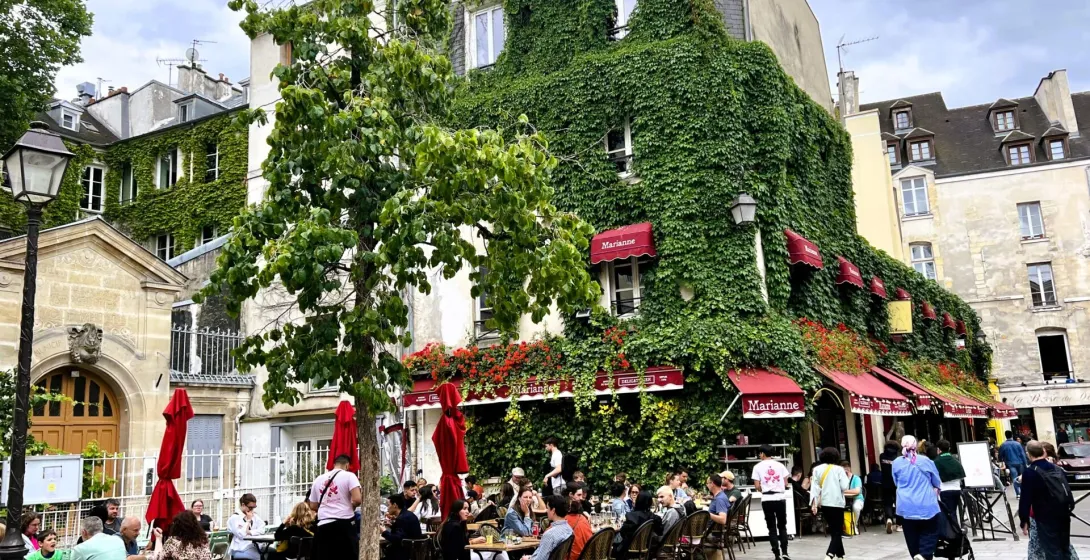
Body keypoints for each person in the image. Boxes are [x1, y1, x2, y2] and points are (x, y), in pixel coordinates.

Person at [1020, 440, 1075, 560]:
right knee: (1064, 547)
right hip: (1064, 513)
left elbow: (1025, 499)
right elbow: (1067, 489)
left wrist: (1024, 520)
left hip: (1045, 516)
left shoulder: (1030, 472)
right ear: (1043, 452)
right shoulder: (1057, 469)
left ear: (1028, 454)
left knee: (1052, 550)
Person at [893, 435, 942, 560]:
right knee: (932, 529)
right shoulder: (925, 461)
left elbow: (896, 482)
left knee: (911, 536)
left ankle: (916, 555)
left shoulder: (896, 463)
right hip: (926, 503)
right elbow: (936, 481)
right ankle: (924, 554)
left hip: (905, 505)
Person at [306, 454, 363, 559]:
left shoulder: (318, 479)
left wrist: (327, 506)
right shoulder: (350, 476)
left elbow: (313, 505)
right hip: (344, 524)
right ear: (347, 465)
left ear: (334, 464)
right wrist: (350, 505)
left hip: (323, 525)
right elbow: (357, 499)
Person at [752, 444, 791, 560]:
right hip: (780, 498)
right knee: (782, 526)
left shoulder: (757, 467)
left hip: (767, 499)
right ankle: (785, 552)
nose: (759, 455)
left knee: (771, 527)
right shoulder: (780, 465)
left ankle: (776, 554)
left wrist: (763, 489)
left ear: (762, 453)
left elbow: (757, 486)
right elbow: (785, 483)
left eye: (759, 453)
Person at [809, 447, 849, 560]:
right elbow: (845, 486)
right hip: (837, 502)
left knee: (834, 529)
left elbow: (815, 489)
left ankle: (840, 555)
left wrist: (814, 504)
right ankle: (830, 554)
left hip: (825, 503)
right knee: (838, 530)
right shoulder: (839, 469)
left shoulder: (816, 469)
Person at [613, 491, 659, 558]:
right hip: (647, 550)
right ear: (650, 503)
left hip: (627, 552)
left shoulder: (631, 516)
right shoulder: (655, 518)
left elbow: (623, 533)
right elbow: (660, 532)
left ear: (637, 501)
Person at [530, 496, 573, 560]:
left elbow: (540, 558)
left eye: (547, 508)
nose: (546, 511)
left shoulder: (550, 534)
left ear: (553, 510)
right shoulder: (569, 530)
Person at [383, 493, 423, 560]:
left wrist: (383, 531)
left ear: (395, 505)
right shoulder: (408, 514)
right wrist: (392, 526)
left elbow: (396, 539)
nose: (387, 508)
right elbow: (405, 531)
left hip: (404, 554)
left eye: (388, 505)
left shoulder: (403, 518)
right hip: (413, 553)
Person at [227, 493, 266, 560]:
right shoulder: (234, 518)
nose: (252, 510)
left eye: (253, 508)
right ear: (243, 505)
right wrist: (248, 520)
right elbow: (242, 535)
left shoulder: (254, 516)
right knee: (264, 557)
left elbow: (262, 528)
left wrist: (250, 532)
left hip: (254, 546)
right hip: (241, 548)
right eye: (250, 507)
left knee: (275, 553)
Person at [934, 440, 966, 521]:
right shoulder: (955, 460)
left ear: (938, 450)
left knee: (947, 513)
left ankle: (953, 532)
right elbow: (962, 475)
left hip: (944, 490)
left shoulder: (936, 461)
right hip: (957, 489)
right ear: (949, 448)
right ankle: (955, 530)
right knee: (953, 512)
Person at [1000, 430, 1029, 497]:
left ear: (1005, 436)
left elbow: (1000, 455)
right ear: (1012, 435)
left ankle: (1018, 493)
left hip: (1010, 463)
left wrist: (1003, 460)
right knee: (1022, 477)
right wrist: (1025, 464)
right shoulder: (1018, 444)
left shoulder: (1003, 445)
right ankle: (1023, 491)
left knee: (1014, 478)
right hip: (1020, 462)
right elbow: (1023, 454)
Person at [880, 440, 901, 533]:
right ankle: (899, 524)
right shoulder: (898, 458)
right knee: (898, 503)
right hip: (897, 483)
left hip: (885, 483)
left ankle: (889, 519)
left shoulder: (882, 456)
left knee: (887, 503)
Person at [841, 462, 864, 535]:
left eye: (846, 468)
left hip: (857, 499)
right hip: (844, 499)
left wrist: (844, 491)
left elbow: (857, 491)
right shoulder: (840, 479)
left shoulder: (856, 478)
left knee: (856, 507)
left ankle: (854, 525)